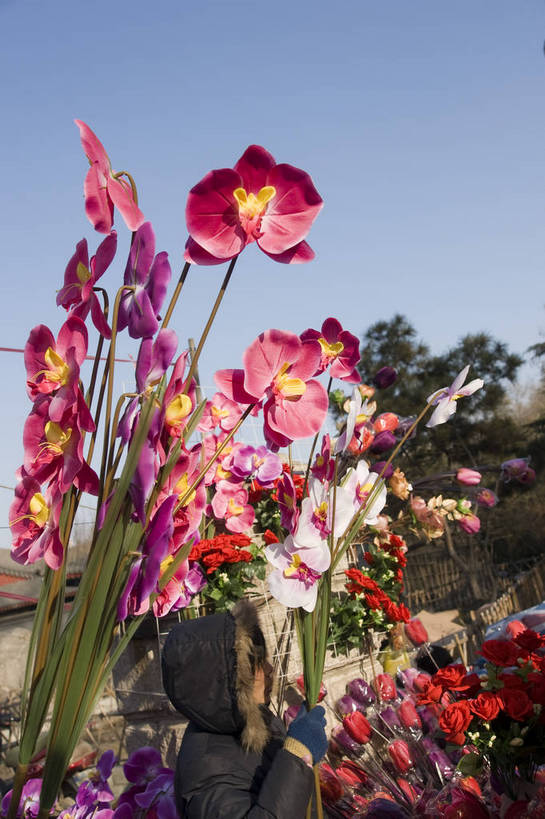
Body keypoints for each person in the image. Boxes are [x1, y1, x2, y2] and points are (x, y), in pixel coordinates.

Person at [162, 599, 328, 818]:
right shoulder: (206, 772)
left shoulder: (250, 723)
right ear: (224, 682)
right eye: (256, 664)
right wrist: (297, 756)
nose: (269, 670)